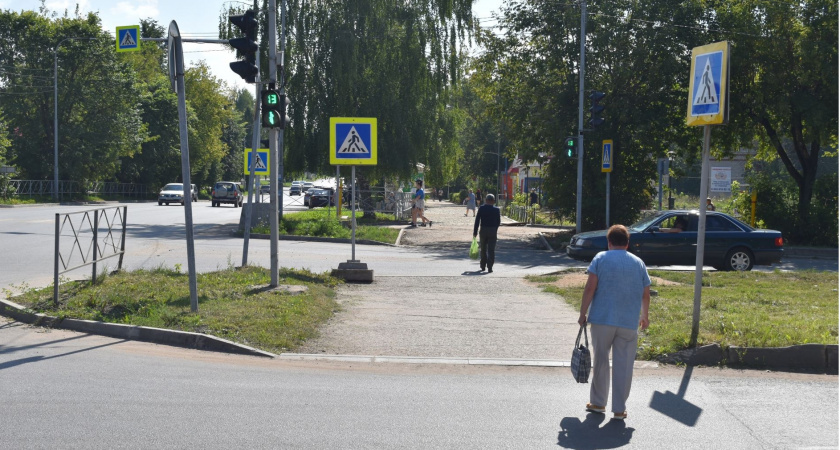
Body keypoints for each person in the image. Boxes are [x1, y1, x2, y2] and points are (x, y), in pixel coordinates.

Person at [577, 224, 651, 421]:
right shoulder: (638, 263)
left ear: (609, 242)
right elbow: (645, 294)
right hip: (628, 321)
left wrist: (583, 313)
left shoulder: (600, 258)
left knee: (601, 360)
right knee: (624, 365)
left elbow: (590, 287)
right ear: (627, 244)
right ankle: (619, 409)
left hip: (602, 319)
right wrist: (645, 316)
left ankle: (598, 403)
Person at [473, 194, 501, 272]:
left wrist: (475, 232)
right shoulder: (496, 210)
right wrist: (495, 229)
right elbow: (498, 222)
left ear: (486, 200)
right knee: (491, 250)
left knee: (483, 249)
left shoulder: (481, 208)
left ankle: (482, 265)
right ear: (493, 201)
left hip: (483, 230)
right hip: (492, 230)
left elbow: (477, 220)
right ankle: (490, 267)